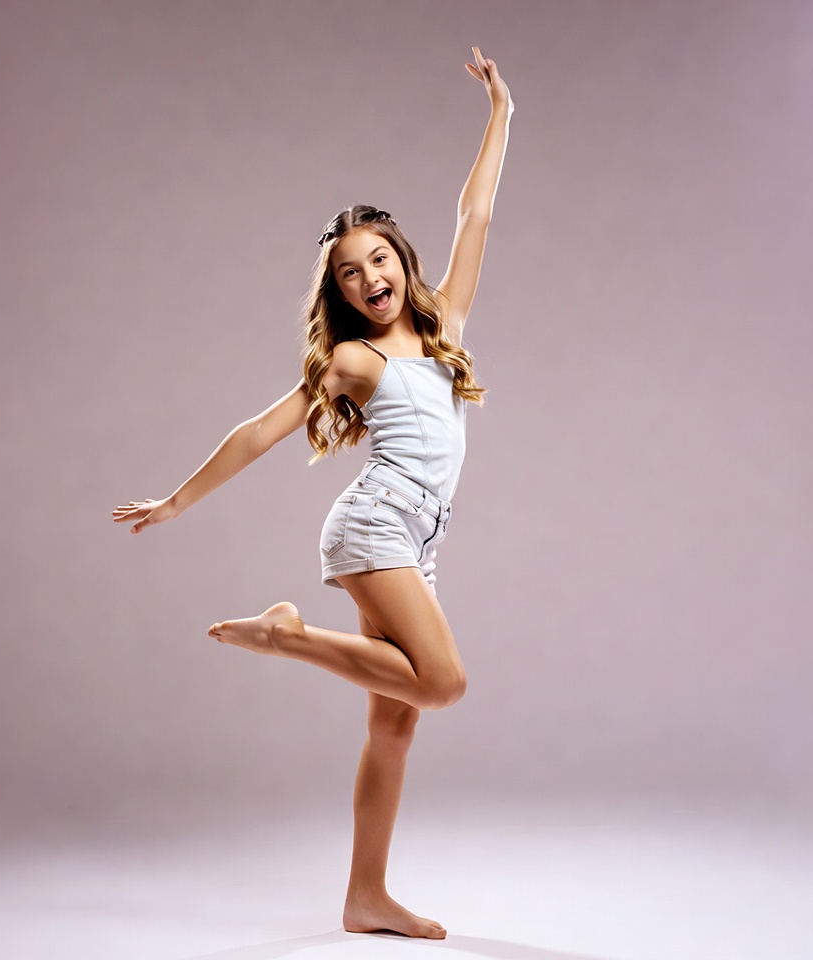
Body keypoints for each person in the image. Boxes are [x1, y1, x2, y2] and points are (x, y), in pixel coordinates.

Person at [113, 46, 512, 940]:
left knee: (396, 727)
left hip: (415, 538)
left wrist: (501, 112)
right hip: (374, 528)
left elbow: (475, 209)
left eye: (379, 261)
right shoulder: (350, 360)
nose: (369, 280)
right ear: (336, 292)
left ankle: (365, 896)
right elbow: (263, 427)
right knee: (441, 684)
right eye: (348, 274)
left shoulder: (444, 322)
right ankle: (287, 637)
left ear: (403, 261)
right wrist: (177, 501)